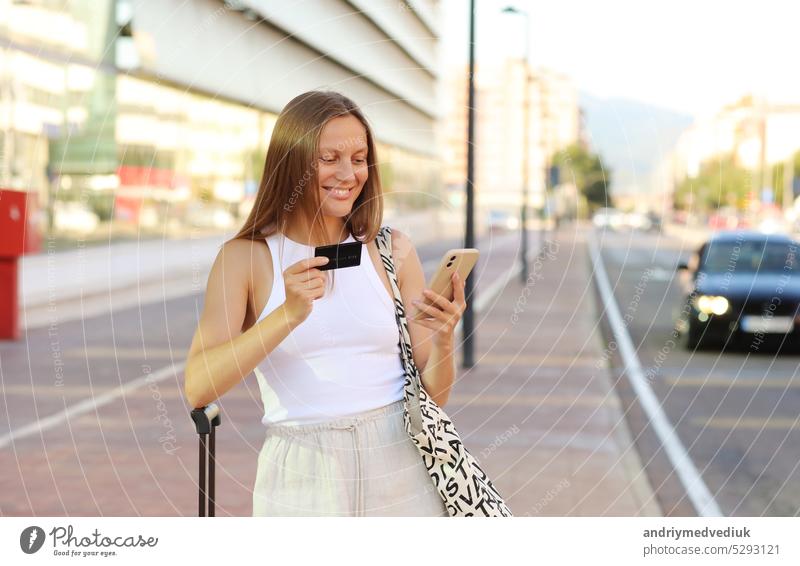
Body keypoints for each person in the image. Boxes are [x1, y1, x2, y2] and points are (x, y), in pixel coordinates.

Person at [183, 90, 466, 516]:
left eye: (359, 158)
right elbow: (199, 386)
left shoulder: (393, 250)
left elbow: (434, 396)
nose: (349, 173)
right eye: (328, 158)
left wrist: (444, 341)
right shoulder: (245, 258)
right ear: (292, 162)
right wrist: (287, 315)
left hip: (400, 464)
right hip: (303, 472)